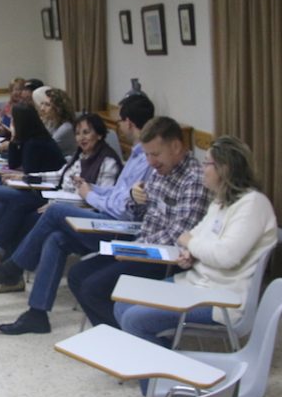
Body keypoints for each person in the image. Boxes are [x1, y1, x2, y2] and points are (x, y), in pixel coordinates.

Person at [0, 94, 156, 332]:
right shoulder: (136, 155)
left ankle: (11, 268)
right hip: (104, 216)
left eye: (120, 120)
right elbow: (117, 194)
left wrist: (90, 195)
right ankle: (37, 314)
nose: (119, 126)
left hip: (119, 227)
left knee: (53, 211)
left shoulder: (143, 161)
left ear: (128, 122)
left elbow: (124, 208)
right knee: (55, 239)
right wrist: (91, 189)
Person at [115, 136, 277, 356]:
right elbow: (194, 237)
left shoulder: (253, 204)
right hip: (194, 282)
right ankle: (160, 364)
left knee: (135, 319)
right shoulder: (220, 202)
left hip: (221, 300)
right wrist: (189, 253)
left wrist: (190, 244)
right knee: (122, 305)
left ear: (225, 168)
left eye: (207, 163)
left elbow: (224, 255)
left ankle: (166, 372)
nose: (202, 169)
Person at [65, 116, 210, 332]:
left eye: (155, 154)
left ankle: (125, 337)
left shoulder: (193, 179)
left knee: (93, 288)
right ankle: (118, 333)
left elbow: (178, 236)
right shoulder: (160, 172)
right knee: (76, 274)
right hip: (141, 247)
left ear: (176, 147)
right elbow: (140, 214)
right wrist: (134, 197)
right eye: (147, 155)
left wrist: (137, 249)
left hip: (162, 259)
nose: (150, 162)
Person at [0, 112, 122, 266]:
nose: (81, 138)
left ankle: (2, 260)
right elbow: (58, 175)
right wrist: (26, 178)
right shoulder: (81, 155)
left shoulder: (107, 162)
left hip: (74, 211)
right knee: (9, 205)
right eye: (78, 133)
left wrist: (57, 204)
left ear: (99, 135)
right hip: (57, 200)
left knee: (24, 214)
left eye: (86, 133)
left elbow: (100, 203)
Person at [0, 103, 65, 268]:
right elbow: (14, 164)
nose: (12, 123)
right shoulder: (28, 139)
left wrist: (21, 174)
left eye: (14, 120)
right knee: (1, 203)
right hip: (36, 188)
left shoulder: (36, 142)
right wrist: (14, 139)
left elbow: (29, 170)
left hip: (46, 193)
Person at [34, 86, 77, 156]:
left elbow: (43, 150)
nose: (42, 108)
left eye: (47, 105)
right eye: (42, 103)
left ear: (58, 109)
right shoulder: (50, 122)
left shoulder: (66, 128)